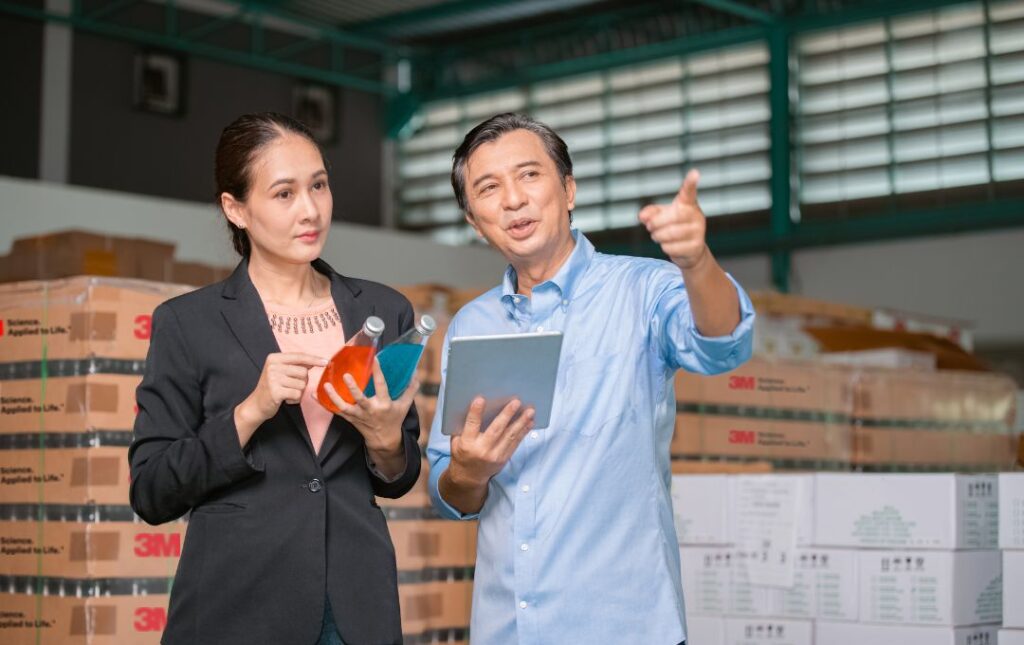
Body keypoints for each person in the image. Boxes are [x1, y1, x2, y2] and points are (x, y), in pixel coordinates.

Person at [427, 113, 755, 644]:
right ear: (474, 221)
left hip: (625, 628)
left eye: (529, 175)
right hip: (507, 629)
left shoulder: (643, 290)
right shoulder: (472, 324)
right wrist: (469, 473)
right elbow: (450, 492)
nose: (513, 199)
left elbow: (723, 346)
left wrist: (696, 262)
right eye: (489, 188)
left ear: (569, 190)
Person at [129, 112, 421, 645]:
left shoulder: (384, 311)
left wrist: (386, 443)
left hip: (356, 610)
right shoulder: (188, 324)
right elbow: (151, 491)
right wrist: (249, 413)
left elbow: (396, 477)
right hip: (236, 607)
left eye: (319, 186)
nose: (310, 210)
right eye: (284, 193)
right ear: (235, 208)